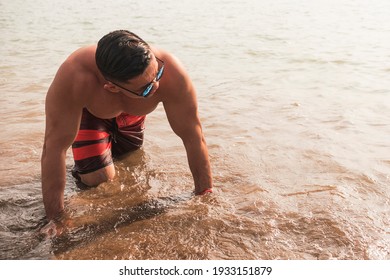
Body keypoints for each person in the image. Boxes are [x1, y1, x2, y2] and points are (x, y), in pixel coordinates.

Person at [41, 30, 213, 225]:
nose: (157, 85)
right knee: (99, 179)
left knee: (130, 160)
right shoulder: (75, 77)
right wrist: (55, 218)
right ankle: (82, 172)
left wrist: (204, 194)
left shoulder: (172, 72)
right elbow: (54, 148)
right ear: (112, 87)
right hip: (92, 113)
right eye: (147, 88)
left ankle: (100, 157)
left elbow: (194, 137)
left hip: (133, 113)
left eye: (157, 73)